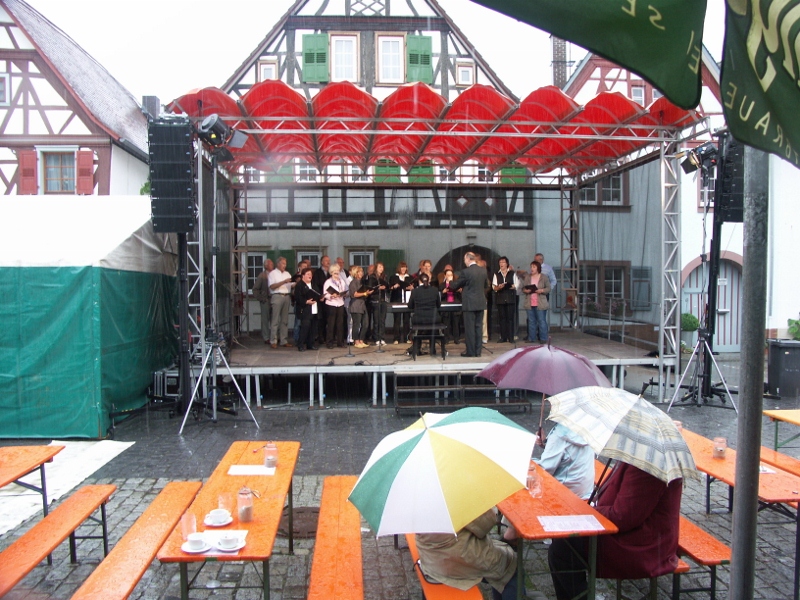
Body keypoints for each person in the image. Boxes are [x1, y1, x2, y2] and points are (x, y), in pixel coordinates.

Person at [548, 463, 682, 600]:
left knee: (564, 548)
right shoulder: (638, 459)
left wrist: (586, 512)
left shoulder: (648, 466)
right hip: (634, 532)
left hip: (644, 544)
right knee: (563, 541)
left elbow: (623, 516)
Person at [415, 508, 525, 600]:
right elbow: (486, 524)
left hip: (430, 558)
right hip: (454, 560)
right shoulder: (454, 493)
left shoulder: (419, 493)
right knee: (511, 566)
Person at [535, 423, 594, 499]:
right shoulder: (586, 429)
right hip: (585, 491)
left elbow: (544, 470)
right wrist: (547, 443)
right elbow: (569, 452)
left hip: (567, 493)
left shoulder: (559, 433)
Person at [451, 252, 489, 357]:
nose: (464, 262)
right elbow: (486, 285)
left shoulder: (466, 272)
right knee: (478, 327)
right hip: (480, 302)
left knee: (469, 329)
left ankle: (470, 351)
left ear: (468, 259)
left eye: (464, 260)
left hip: (469, 303)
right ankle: (478, 351)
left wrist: (450, 281)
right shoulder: (483, 270)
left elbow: (455, 285)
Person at [407, 273, 443, 356]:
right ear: (429, 280)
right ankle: (432, 349)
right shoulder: (434, 290)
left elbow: (410, 306)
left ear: (420, 281)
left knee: (418, 328)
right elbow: (439, 305)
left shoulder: (415, 291)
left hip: (419, 319)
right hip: (433, 318)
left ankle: (417, 349)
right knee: (432, 327)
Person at [268, 257, 294, 348]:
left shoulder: (287, 273)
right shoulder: (273, 273)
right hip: (277, 296)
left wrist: (298, 282)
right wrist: (283, 281)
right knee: (275, 320)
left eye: (285, 263)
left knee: (284, 320)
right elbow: (272, 286)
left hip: (286, 296)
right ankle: (273, 341)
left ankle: (284, 340)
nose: (284, 265)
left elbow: (291, 284)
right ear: (278, 264)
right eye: (283, 263)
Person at [522, 261, 551, 344]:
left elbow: (548, 288)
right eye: (531, 267)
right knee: (531, 321)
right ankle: (531, 338)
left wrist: (541, 290)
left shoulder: (544, 277)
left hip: (540, 302)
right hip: (530, 302)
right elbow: (523, 288)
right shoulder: (528, 277)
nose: (532, 269)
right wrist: (526, 290)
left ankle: (543, 338)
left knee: (541, 321)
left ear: (538, 268)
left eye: (534, 267)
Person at [293, 267, 321, 352]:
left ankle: (310, 344)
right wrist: (306, 301)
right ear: (303, 276)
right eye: (308, 274)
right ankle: (300, 345)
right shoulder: (300, 285)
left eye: (311, 274)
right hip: (305, 309)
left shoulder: (313, 284)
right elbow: (298, 298)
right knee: (305, 328)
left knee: (313, 328)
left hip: (314, 309)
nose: (310, 276)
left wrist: (320, 297)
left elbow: (317, 293)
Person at [492, 257, 517, 343]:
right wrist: (499, 287)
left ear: (507, 264)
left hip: (510, 298)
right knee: (502, 318)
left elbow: (516, 285)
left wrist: (510, 285)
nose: (501, 264)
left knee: (510, 318)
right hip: (500, 298)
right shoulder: (496, 274)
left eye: (503, 262)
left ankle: (511, 337)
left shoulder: (512, 273)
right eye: (500, 262)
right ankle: (503, 337)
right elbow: (494, 287)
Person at [389, 261, 414, 344]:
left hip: (407, 301)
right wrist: (394, 286)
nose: (403, 269)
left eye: (405, 267)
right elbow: (390, 288)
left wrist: (411, 287)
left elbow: (413, 287)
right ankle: (396, 338)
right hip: (397, 300)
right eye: (402, 267)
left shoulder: (409, 277)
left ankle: (406, 338)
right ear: (399, 268)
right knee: (397, 320)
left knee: (406, 320)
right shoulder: (394, 277)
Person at [323, 264, 347, 348]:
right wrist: (331, 296)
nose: (337, 275)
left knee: (340, 324)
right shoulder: (328, 282)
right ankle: (329, 343)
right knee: (331, 324)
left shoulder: (341, 281)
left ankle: (340, 342)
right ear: (331, 273)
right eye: (335, 273)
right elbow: (325, 294)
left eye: (338, 273)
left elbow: (344, 291)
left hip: (340, 303)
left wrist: (343, 294)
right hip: (331, 304)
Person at [349, 265, 373, 348]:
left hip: (362, 304)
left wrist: (368, 292)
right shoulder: (353, 282)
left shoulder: (361, 282)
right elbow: (354, 294)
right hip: (355, 305)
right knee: (357, 323)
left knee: (365, 323)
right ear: (356, 273)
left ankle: (361, 339)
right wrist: (365, 293)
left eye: (362, 271)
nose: (362, 273)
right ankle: (356, 341)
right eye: (360, 272)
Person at [367, 262, 389, 345]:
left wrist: (386, 287)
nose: (381, 268)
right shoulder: (372, 277)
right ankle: (376, 338)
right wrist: (378, 288)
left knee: (382, 320)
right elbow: (370, 288)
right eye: (379, 267)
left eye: (382, 267)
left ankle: (382, 337)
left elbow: (388, 286)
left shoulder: (384, 276)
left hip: (383, 299)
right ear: (376, 268)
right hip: (375, 300)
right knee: (376, 320)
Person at [252, 259, 272, 344]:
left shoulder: (275, 274)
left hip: (274, 299)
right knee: (265, 319)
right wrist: (261, 298)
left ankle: (274, 337)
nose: (272, 265)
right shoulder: (262, 275)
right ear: (266, 265)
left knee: (274, 319)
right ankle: (266, 337)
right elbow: (255, 289)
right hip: (266, 299)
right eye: (270, 264)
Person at [439, 267, 461, 343]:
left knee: (456, 323)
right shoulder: (442, 285)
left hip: (454, 305)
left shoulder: (456, 284)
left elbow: (460, 296)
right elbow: (439, 297)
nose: (449, 276)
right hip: (446, 305)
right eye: (447, 275)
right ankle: (446, 339)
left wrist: (459, 291)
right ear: (445, 276)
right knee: (446, 323)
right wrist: (443, 292)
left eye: (450, 275)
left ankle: (456, 339)